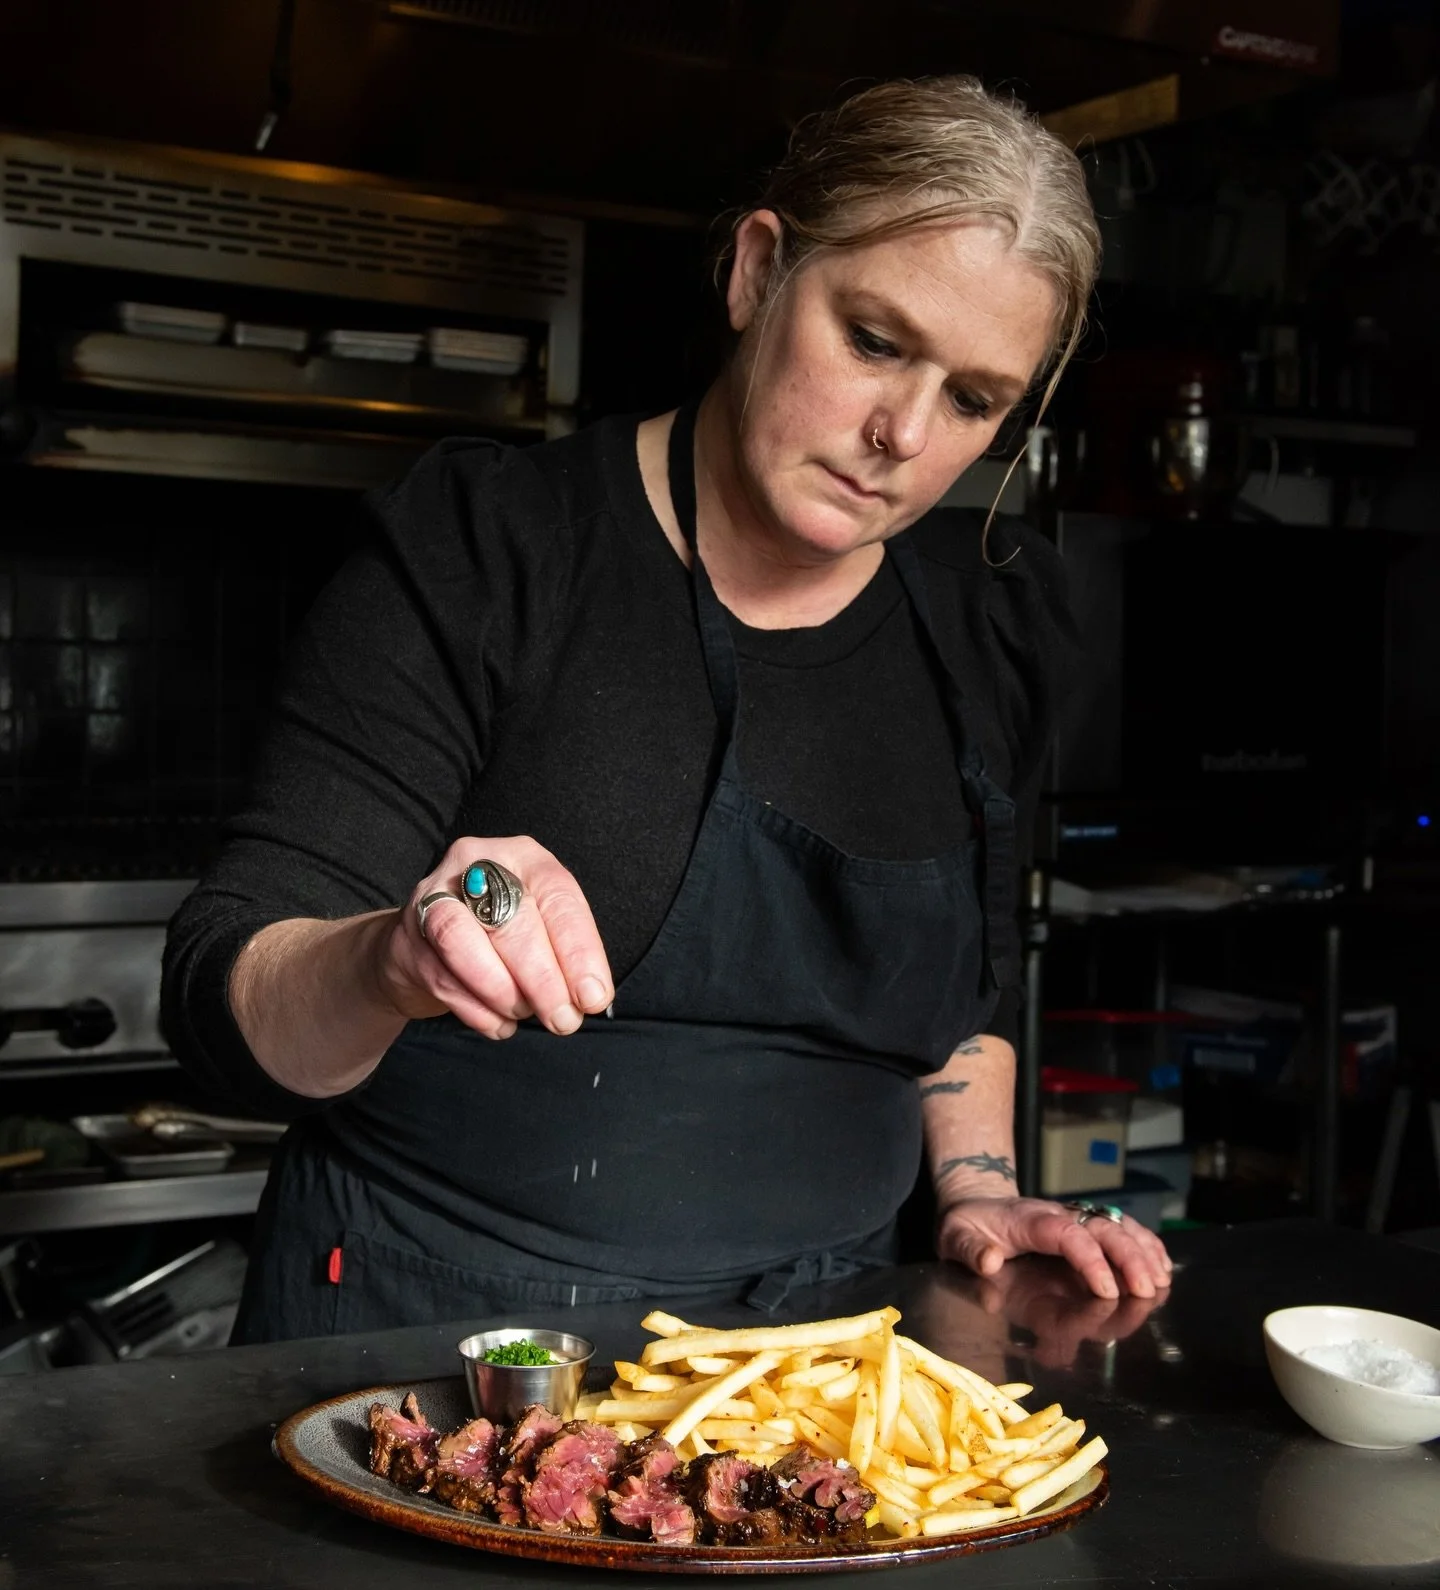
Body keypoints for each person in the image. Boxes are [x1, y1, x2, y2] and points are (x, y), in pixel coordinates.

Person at [163, 74, 1171, 1343]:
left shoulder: (988, 631)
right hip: (433, 1342)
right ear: (757, 273)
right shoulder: (490, 551)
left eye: (973, 399)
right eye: (873, 339)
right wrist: (401, 949)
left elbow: (962, 1007)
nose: (901, 433)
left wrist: (983, 1191)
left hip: (825, 1368)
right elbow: (225, 1001)